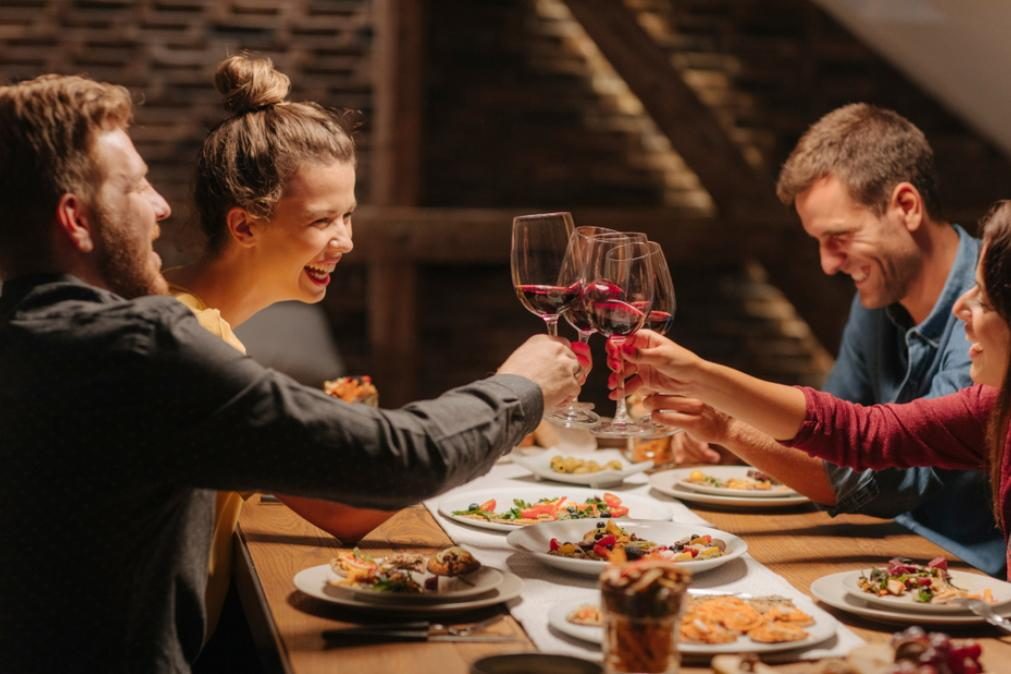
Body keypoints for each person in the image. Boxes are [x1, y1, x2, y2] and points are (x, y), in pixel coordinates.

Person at [0, 73, 583, 674]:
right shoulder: (144, 346)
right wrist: (522, 386)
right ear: (74, 217)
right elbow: (392, 461)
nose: (161, 206)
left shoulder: (29, 332)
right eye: (136, 186)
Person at [662, 103, 1004, 576]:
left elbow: (884, 471)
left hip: (974, 579)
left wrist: (729, 422)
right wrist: (726, 429)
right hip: (884, 555)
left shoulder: (995, 325)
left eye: (839, 237)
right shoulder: (877, 304)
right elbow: (828, 431)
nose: (827, 264)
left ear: (906, 206)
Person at [163, 54, 389, 638]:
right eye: (322, 221)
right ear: (244, 227)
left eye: (348, 215)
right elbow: (347, 511)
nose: (346, 241)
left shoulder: (183, 309)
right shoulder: (193, 340)